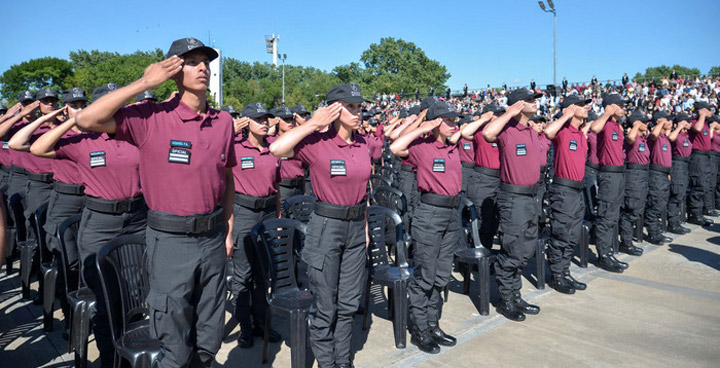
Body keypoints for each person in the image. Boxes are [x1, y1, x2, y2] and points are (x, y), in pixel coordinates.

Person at [73, 37, 236, 368]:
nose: (202, 67)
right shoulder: (151, 117)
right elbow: (86, 121)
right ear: (173, 70)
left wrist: (229, 229)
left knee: (209, 338)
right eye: (191, 61)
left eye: (205, 61)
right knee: (173, 342)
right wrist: (145, 83)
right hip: (170, 241)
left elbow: (228, 177)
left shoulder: (223, 123)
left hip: (212, 238)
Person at [31, 83, 147, 368]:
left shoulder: (137, 136)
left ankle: (129, 353)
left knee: (135, 294)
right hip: (100, 223)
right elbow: (35, 146)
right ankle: (110, 358)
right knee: (105, 297)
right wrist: (75, 118)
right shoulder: (83, 141)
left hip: (138, 220)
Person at [270, 82, 370, 368]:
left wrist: (363, 226)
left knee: (348, 303)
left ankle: (343, 360)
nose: (357, 112)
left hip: (354, 228)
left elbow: (365, 189)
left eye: (358, 106)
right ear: (335, 110)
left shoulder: (362, 143)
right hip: (327, 226)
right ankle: (328, 362)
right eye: (351, 107)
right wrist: (314, 123)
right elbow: (277, 149)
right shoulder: (316, 144)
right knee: (325, 304)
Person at [390, 99, 462, 353]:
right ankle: (420, 330)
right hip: (429, 213)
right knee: (424, 277)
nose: (454, 124)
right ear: (436, 123)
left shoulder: (454, 147)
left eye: (455, 120)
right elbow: (396, 146)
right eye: (449, 120)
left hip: (452, 214)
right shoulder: (421, 147)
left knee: (441, 276)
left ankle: (433, 325)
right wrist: (424, 126)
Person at [483, 88, 543, 322]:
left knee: (526, 248)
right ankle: (505, 298)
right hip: (513, 197)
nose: (534, 103)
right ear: (518, 104)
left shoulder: (530, 130)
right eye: (529, 100)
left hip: (531, 197)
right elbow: (488, 133)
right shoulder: (507, 129)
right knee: (513, 248)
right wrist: (509, 113)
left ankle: (514, 294)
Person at [230, 102, 283, 348]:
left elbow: (278, 188)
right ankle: (245, 327)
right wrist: (228, 230)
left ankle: (262, 323)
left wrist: (279, 219)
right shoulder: (235, 148)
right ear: (246, 122)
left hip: (268, 212)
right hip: (243, 212)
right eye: (258, 119)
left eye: (266, 119)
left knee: (264, 274)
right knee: (243, 275)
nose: (264, 123)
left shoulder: (274, 149)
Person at [543, 95, 590, 294]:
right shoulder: (562, 130)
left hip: (578, 189)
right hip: (563, 189)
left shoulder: (580, 133)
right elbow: (547, 132)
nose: (585, 107)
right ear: (569, 109)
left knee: (573, 235)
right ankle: (557, 276)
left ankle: (565, 271)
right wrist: (565, 115)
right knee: (561, 234)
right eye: (580, 105)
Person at [590, 93, 629, 273]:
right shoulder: (604, 123)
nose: (624, 108)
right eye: (620, 105)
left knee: (613, 215)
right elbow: (594, 128)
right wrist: (606, 113)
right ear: (612, 107)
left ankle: (608, 251)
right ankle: (603, 255)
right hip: (608, 174)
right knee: (606, 215)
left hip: (619, 174)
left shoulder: (617, 125)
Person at [460, 104, 502, 248]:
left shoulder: (503, 132)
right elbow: (465, 132)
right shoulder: (481, 131)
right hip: (483, 179)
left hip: (500, 180)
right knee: (482, 222)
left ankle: (486, 255)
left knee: (494, 223)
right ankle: (474, 258)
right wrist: (484, 119)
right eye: (496, 114)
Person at [644, 110, 682, 244]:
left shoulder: (665, 138)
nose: (671, 123)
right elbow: (654, 133)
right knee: (655, 204)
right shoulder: (654, 137)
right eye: (668, 120)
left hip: (664, 174)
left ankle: (657, 231)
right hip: (656, 174)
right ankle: (653, 234)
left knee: (660, 204)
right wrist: (660, 123)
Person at [618, 110, 651, 256]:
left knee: (637, 209)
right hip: (634, 175)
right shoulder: (632, 137)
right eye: (644, 122)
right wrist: (636, 126)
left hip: (643, 174)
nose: (647, 124)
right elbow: (630, 137)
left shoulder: (642, 138)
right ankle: (626, 243)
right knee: (631, 210)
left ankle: (628, 240)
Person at [687, 101, 715, 226]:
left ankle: (699, 212)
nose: (711, 112)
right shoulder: (696, 122)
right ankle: (695, 214)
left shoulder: (705, 124)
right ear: (702, 110)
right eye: (708, 109)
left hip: (705, 156)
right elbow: (697, 128)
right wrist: (702, 115)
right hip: (697, 156)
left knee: (704, 185)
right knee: (698, 185)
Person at [667, 113, 693, 234]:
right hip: (677, 164)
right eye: (687, 122)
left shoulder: (685, 135)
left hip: (685, 165)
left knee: (681, 194)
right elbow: (671, 138)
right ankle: (673, 224)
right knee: (676, 194)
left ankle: (677, 222)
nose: (690, 124)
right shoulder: (676, 134)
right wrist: (678, 127)